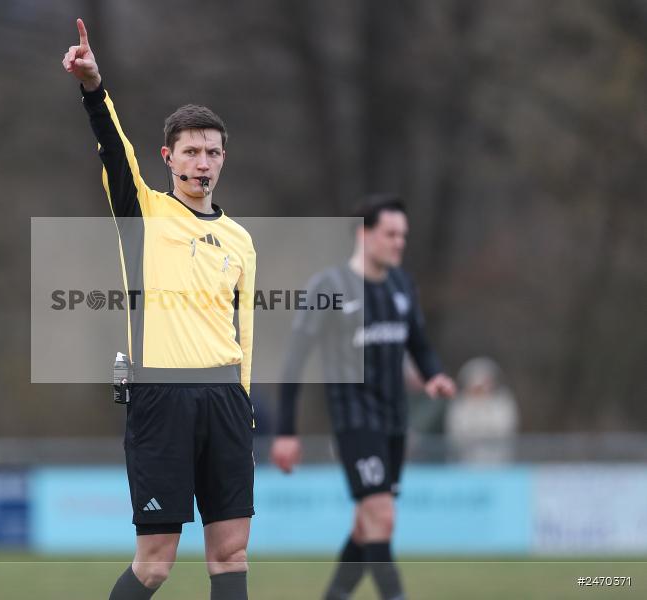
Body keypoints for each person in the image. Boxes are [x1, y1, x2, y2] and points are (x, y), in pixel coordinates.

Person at [62, 19, 257, 600]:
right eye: (191, 151)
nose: (203, 162)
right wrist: (94, 88)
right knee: (155, 563)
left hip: (225, 400)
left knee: (230, 553)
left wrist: (244, 401)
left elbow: (244, 331)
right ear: (169, 157)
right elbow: (113, 149)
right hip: (161, 399)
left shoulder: (242, 240)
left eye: (212, 152)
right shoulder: (143, 214)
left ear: (224, 159)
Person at [270, 195, 455, 600]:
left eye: (403, 235)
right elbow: (294, 362)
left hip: (393, 423)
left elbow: (419, 343)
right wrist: (286, 431)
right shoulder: (329, 287)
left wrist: (434, 375)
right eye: (390, 234)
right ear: (364, 234)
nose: (399, 242)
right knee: (382, 518)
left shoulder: (402, 285)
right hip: (354, 422)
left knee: (365, 526)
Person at [446, 357, 518, 464]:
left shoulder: (502, 403)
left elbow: (505, 429)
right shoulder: (460, 405)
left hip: (497, 462)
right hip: (467, 463)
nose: (480, 390)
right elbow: (456, 433)